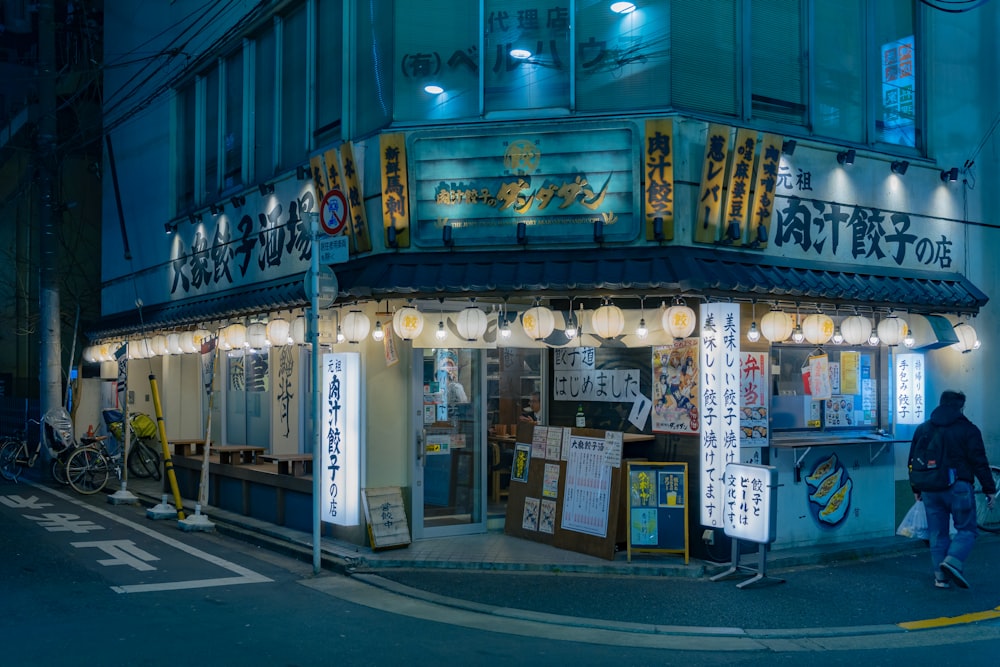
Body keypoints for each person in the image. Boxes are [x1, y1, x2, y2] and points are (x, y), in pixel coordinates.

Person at [909, 390, 996, 589]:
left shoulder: (923, 429)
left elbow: (913, 460)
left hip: (930, 489)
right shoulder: (968, 429)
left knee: (937, 534)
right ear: (961, 407)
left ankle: (941, 578)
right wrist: (989, 488)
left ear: (940, 404)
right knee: (967, 529)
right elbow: (979, 461)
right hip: (959, 487)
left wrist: (916, 486)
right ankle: (953, 560)